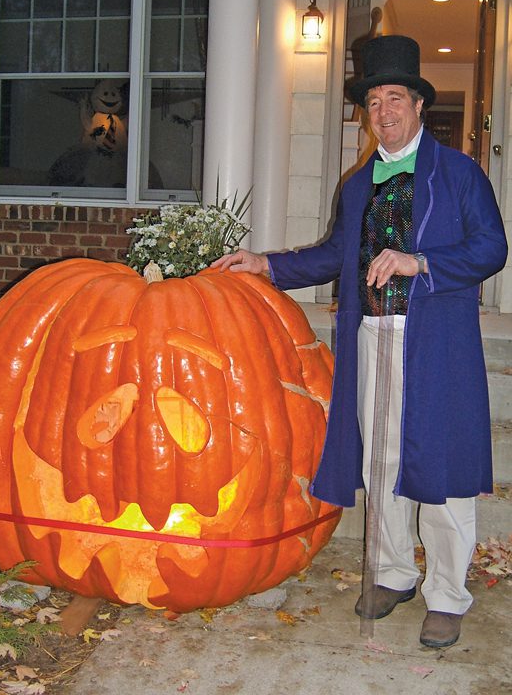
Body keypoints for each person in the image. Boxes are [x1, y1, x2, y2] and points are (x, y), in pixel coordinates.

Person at [213, 35, 508, 648]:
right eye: (373, 101)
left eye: (395, 97)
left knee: (444, 465)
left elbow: (491, 249)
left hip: (437, 343)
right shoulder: (359, 184)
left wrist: (419, 262)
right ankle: (395, 572)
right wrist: (266, 263)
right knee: (384, 459)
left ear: (419, 105)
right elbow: (332, 254)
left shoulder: (458, 173)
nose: (384, 111)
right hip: (371, 335)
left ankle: (448, 594)